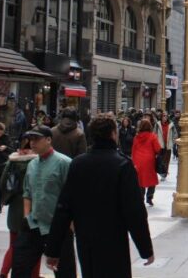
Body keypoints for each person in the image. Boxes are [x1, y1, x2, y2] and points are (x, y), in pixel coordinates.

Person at [45, 115, 154, 277]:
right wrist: (145, 249)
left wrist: (53, 250)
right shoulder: (123, 165)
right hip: (114, 241)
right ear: (113, 134)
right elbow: (134, 211)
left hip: (86, 240)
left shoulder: (78, 164)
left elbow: (63, 208)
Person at [11, 125, 75, 278]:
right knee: (19, 267)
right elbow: (27, 193)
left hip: (58, 227)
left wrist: (71, 224)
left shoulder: (64, 163)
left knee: (64, 271)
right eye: (30, 139)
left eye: (36, 139)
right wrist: (26, 216)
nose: (32, 143)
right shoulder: (32, 164)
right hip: (34, 225)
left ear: (48, 140)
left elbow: (73, 195)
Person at [0, 138, 40, 278]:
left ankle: (3, 273)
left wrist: (6, 198)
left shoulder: (12, 161)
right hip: (32, 206)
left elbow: (3, 182)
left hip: (15, 205)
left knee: (13, 243)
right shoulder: (36, 162)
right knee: (35, 245)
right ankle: (34, 275)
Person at [132, 119, 161, 206]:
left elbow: (133, 149)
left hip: (138, 160)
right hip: (149, 160)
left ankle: (141, 197)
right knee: (152, 179)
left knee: (140, 180)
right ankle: (149, 197)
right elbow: (158, 149)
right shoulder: (152, 136)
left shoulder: (136, 137)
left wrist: (133, 161)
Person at [154, 112, 177, 179]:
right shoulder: (157, 124)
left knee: (166, 160)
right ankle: (161, 172)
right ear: (161, 117)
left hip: (168, 146)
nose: (165, 117)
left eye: (166, 116)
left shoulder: (171, 124)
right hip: (160, 145)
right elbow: (154, 133)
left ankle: (165, 173)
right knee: (160, 160)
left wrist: (172, 142)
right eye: (164, 116)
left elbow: (175, 134)